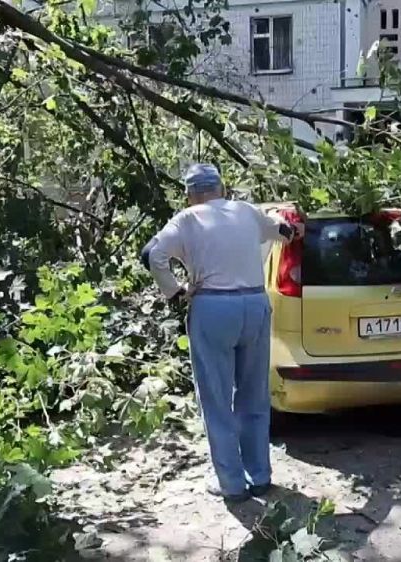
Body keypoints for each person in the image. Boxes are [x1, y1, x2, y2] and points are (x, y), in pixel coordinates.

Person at [141, 163, 297, 503]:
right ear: (222, 188)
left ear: (189, 194)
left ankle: (232, 485)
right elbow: (284, 230)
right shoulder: (246, 211)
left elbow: (151, 254)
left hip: (214, 309)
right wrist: (294, 229)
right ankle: (260, 476)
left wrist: (175, 291)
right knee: (254, 394)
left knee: (216, 399)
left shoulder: (188, 219)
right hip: (255, 306)